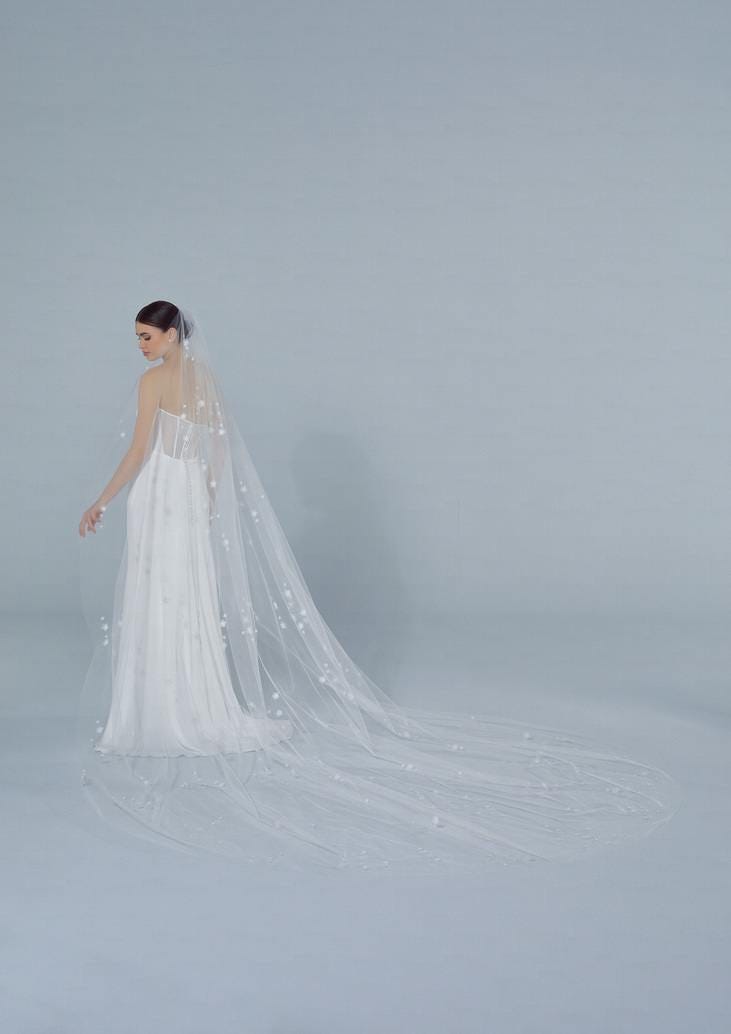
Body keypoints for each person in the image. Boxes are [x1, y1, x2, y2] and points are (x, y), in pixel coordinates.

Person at [76, 300, 679, 873]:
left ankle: (161, 707)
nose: (140, 347)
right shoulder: (206, 380)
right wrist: (205, 498)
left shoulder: (155, 383)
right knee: (187, 600)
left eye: (146, 337)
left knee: (160, 594)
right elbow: (218, 451)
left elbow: (138, 452)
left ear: (172, 335)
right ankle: (199, 704)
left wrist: (103, 499)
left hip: (159, 494)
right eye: (137, 339)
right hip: (187, 497)